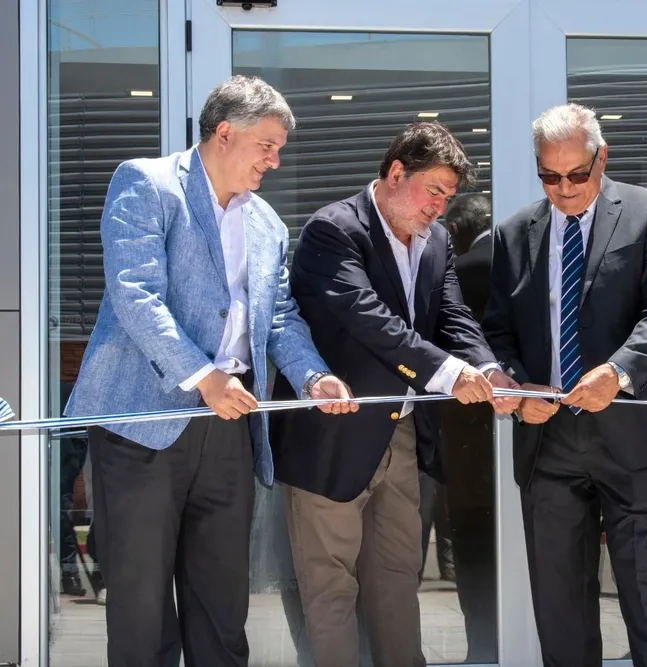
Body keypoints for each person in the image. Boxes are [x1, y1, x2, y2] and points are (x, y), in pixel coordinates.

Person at [64, 75, 356, 667]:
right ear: (225, 133)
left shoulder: (268, 224)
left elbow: (279, 319)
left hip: (229, 428)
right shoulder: (146, 184)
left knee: (223, 605)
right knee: (141, 608)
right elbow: (135, 295)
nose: (275, 161)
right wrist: (202, 376)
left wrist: (312, 377)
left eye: (279, 149)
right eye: (267, 146)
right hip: (143, 422)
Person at [269, 121, 519, 667]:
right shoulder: (334, 230)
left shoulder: (435, 242)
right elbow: (368, 320)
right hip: (332, 436)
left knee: (397, 584)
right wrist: (451, 376)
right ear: (396, 172)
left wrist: (489, 370)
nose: (439, 207)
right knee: (329, 591)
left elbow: (452, 315)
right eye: (433, 191)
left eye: (449, 198)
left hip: (400, 436)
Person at [482, 103, 647, 667]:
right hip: (548, 442)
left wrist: (618, 372)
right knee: (560, 608)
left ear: (603, 159)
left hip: (633, 438)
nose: (565, 188)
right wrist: (515, 388)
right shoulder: (513, 233)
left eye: (577, 173)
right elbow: (497, 330)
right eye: (550, 175)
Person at [438, 192, 499, 662]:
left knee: (475, 541)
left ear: (454, 233)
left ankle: (482, 646)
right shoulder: (527, 263)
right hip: (535, 428)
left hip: (467, 435)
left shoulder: (461, 270)